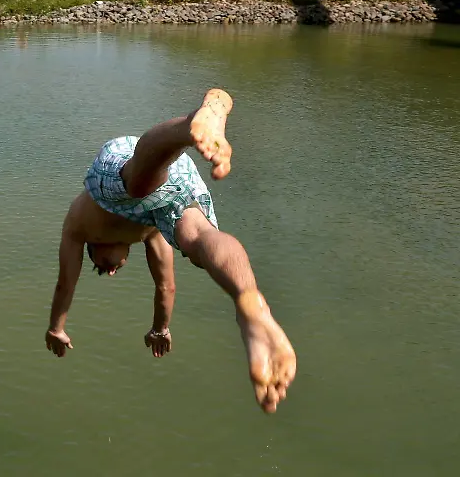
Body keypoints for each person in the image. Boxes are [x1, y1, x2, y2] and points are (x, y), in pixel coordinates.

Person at [46, 89, 297, 413]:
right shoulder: (151, 234)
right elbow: (166, 287)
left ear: (91, 249)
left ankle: (192, 124)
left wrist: (56, 328)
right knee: (199, 239)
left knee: (137, 183)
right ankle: (250, 302)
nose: (110, 271)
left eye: (99, 266)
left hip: (123, 161)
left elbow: (65, 284)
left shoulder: (78, 227)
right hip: (175, 182)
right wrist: (160, 328)